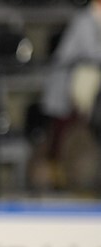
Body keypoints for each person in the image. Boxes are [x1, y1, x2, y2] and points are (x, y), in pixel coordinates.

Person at [37, 0, 101, 190]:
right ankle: (55, 178)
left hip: (87, 87)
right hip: (67, 84)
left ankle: (71, 176)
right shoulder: (84, 20)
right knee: (60, 131)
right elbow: (91, 51)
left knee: (77, 133)